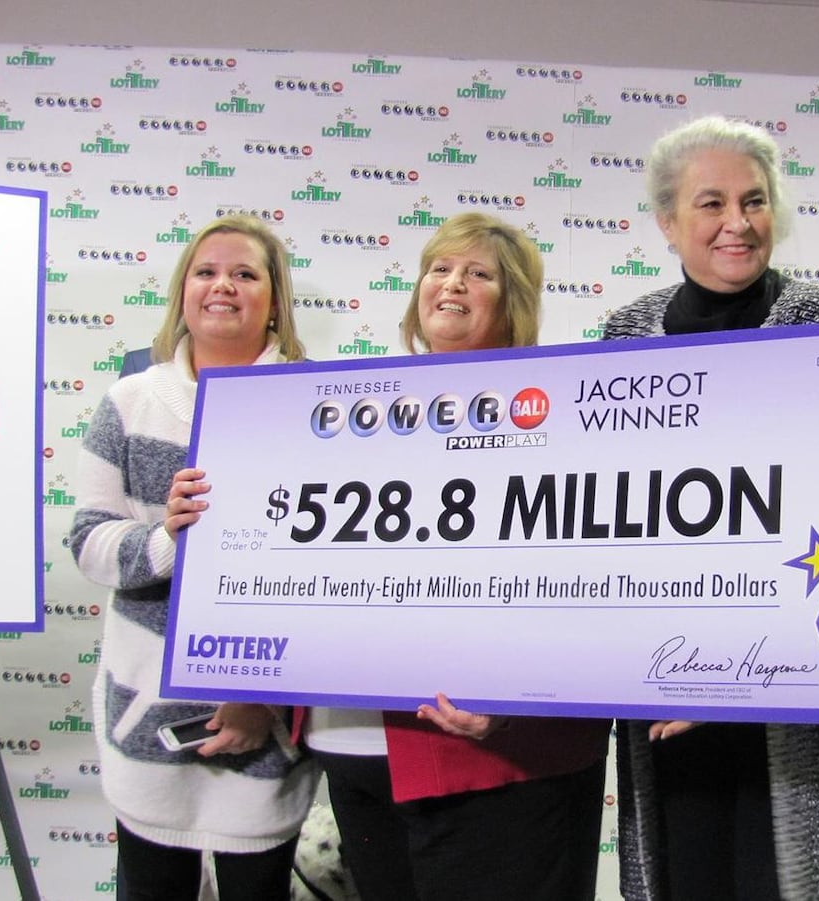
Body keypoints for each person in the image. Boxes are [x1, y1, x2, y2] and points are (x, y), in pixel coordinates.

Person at [602, 115, 819, 901]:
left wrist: (727, 671)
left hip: (810, 694)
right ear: (667, 221)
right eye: (711, 203)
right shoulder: (627, 334)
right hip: (669, 699)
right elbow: (620, 526)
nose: (738, 223)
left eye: (754, 201)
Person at [306, 212, 611, 901]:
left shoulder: (568, 412)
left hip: (492, 759)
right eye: (439, 268)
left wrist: (518, 693)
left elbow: (595, 580)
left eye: (478, 273)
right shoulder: (350, 406)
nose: (451, 283)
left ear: (516, 303)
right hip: (355, 748)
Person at [70, 215, 317, 901]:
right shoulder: (128, 402)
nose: (223, 287)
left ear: (275, 299)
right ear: (183, 291)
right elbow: (89, 540)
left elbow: (330, 581)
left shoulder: (318, 404)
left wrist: (261, 699)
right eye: (207, 272)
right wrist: (170, 541)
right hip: (147, 720)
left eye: (245, 274)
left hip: (266, 731)